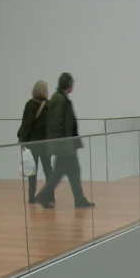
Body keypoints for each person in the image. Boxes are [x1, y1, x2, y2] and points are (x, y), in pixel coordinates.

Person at [36, 72, 94, 209]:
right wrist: (64, 143)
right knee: (66, 173)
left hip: (66, 145)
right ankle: (46, 196)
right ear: (69, 85)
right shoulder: (60, 99)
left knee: (70, 173)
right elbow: (58, 123)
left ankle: (78, 199)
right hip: (64, 146)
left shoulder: (60, 98)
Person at [17, 80, 53, 205]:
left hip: (33, 143)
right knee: (48, 169)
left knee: (32, 171)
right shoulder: (49, 105)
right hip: (46, 143)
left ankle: (31, 196)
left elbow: (26, 125)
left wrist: (22, 141)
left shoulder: (30, 105)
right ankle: (50, 194)